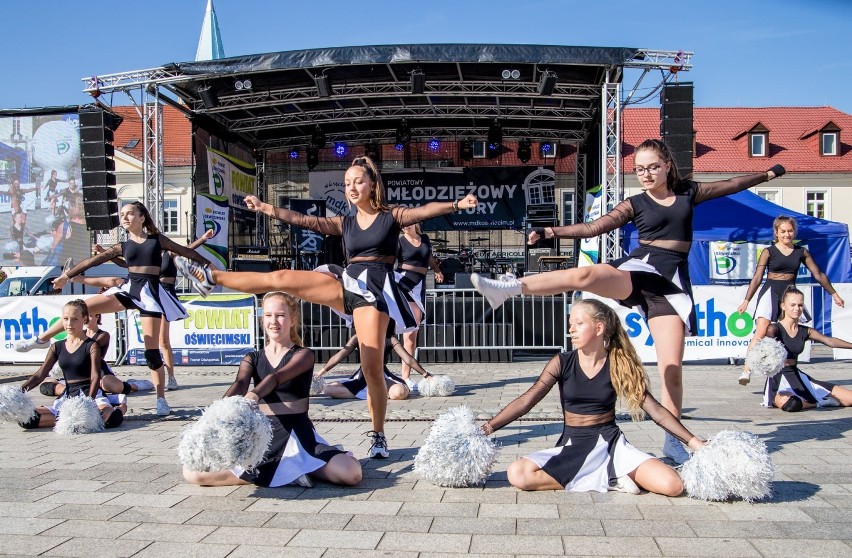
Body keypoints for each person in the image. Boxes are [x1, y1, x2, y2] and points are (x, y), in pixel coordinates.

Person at [472, 139, 785, 464]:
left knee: (672, 370)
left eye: (652, 167)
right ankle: (509, 288)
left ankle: (675, 441)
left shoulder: (689, 193)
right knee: (585, 276)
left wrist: (767, 174)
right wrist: (552, 231)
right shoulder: (634, 203)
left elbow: (731, 184)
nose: (646, 174)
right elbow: (595, 226)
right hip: (640, 268)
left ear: (666, 165)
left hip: (670, 287)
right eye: (639, 169)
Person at [175, 155, 477, 458]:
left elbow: (423, 211)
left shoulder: (391, 216)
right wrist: (267, 208)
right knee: (281, 278)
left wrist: (457, 205)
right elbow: (306, 220)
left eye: (358, 181)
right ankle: (211, 277)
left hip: (375, 292)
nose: (352, 187)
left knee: (372, 370)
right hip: (347, 282)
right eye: (347, 183)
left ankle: (379, 434)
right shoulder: (345, 222)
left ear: (372, 185)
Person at [481, 299, 705, 495]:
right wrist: (487, 428)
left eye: (579, 324)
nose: (572, 330)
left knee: (672, 485)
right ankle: (610, 479)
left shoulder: (618, 363)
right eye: (571, 324)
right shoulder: (562, 362)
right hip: (572, 445)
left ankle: (608, 475)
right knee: (518, 474)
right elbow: (526, 401)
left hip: (610, 443)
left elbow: (655, 409)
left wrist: (695, 443)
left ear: (599, 328)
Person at [14, 201, 212, 417]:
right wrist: (66, 276)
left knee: (152, 353)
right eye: (122, 214)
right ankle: (41, 340)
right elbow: (92, 261)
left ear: (142, 217)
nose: (125, 218)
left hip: (150, 296)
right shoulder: (123, 246)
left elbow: (186, 252)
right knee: (79, 309)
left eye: (130, 214)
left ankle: (161, 398)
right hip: (129, 290)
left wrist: (211, 267)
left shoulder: (157, 240)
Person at [182, 291, 362, 488]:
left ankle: (287, 470)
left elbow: (276, 377)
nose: (273, 321)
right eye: (268, 315)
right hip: (263, 435)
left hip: (297, 433)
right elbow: (240, 384)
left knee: (351, 474)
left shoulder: (303, 354)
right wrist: (216, 415)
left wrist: (253, 396)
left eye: (280, 315)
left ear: (292, 320)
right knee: (192, 474)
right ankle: (289, 474)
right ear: (262, 319)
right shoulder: (252, 357)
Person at [736, 216, 844, 385]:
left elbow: (818, 274)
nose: (787, 234)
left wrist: (834, 294)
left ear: (794, 232)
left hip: (789, 293)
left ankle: (788, 372)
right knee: (762, 330)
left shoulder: (801, 252)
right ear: (776, 233)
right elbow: (757, 277)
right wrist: (746, 300)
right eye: (783, 231)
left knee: (790, 331)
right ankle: (746, 370)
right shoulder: (768, 251)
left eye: (790, 231)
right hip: (770, 292)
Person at [18, 300, 126, 430]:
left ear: (84, 319)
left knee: (108, 420)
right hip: (68, 394)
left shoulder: (91, 345)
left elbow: (95, 376)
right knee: (26, 420)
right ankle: (69, 418)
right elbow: (40, 375)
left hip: (92, 393)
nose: (69, 324)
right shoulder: (56, 346)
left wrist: (88, 402)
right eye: (65, 319)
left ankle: (121, 407)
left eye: (74, 319)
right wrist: (18, 393)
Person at [762, 287, 852, 411]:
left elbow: (830, 341)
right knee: (792, 404)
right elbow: (767, 343)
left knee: (850, 398)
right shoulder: (774, 328)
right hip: (778, 379)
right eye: (792, 305)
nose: (797, 308)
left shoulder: (805, 331)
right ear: (783, 306)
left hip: (798, 377)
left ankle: (818, 399)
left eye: (800, 305)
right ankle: (819, 403)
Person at [37, 311, 152, 397]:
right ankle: (70, 390)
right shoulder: (78, 333)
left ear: (97, 316)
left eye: (90, 316)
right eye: (85, 317)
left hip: (98, 369)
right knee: (46, 385)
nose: (87, 320)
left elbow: (87, 349)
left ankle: (133, 385)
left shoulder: (103, 335)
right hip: (78, 371)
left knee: (110, 385)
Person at [318, 328, 433, 400]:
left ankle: (374, 394)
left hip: (383, 376)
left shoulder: (389, 338)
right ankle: (373, 394)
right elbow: (340, 355)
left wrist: (426, 375)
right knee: (328, 389)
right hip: (362, 378)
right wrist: (320, 373)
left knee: (399, 393)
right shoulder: (358, 337)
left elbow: (408, 359)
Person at [397, 223, 443, 391]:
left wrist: (437, 270)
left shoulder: (424, 239)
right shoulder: (400, 242)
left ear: (415, 223)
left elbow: (428, 256)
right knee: (408, 331)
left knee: (413, 333)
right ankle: (403, 377)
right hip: (404, 284)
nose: (405, 226)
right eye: (402, 224)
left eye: (408, 223)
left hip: (420, 286)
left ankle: (405, 377)